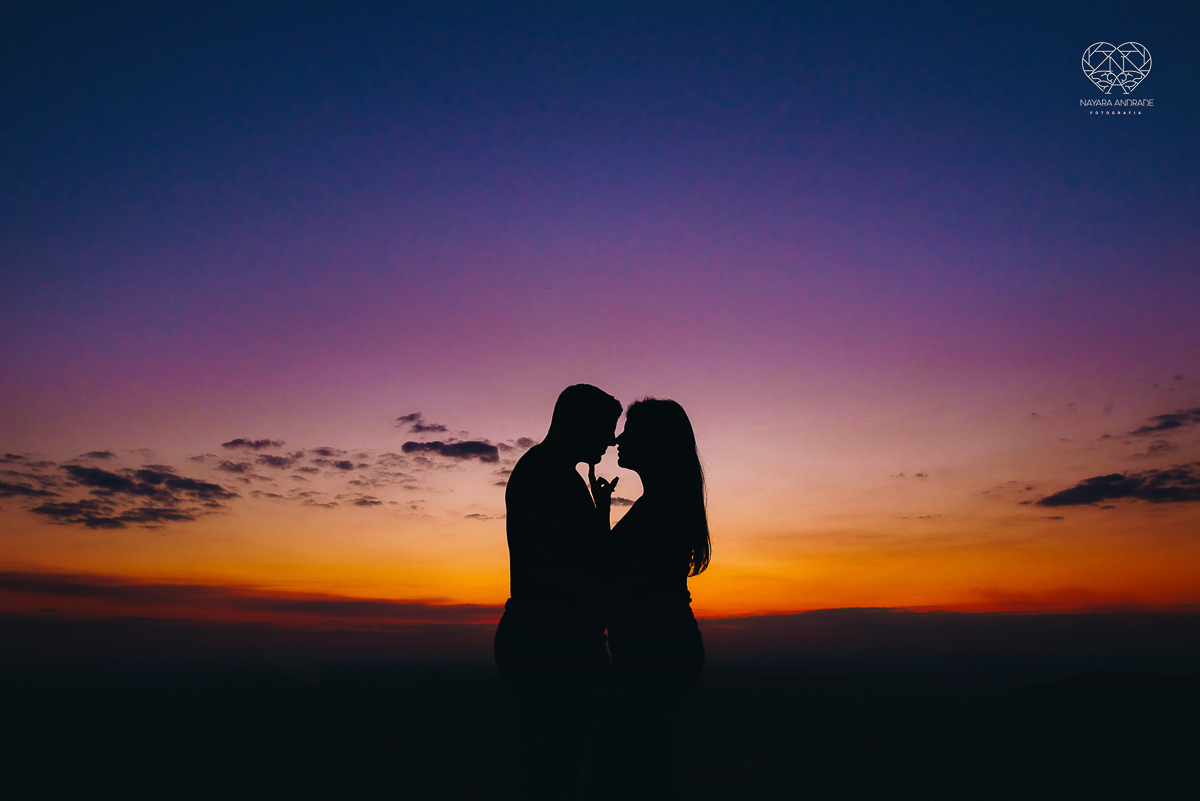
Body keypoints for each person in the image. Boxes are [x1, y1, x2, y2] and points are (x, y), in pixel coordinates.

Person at [494, 384, 624, 801]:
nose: (610, 439)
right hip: (549, 645)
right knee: (555, 775)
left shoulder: (553, 472)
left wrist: (598, 515)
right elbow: (563, 567)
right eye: (605, 427)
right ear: (578, 421)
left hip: (551, 641)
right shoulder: (545, 473)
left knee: (556, 771)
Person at [591, 397, 709, 799]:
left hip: (658, 654)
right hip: (658, 651)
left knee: (640, 772)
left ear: (654, 441)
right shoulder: (662, 504)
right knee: (648, 766)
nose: (619, 439)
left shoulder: (663, 508)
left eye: (631, 431)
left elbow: (624, 581)